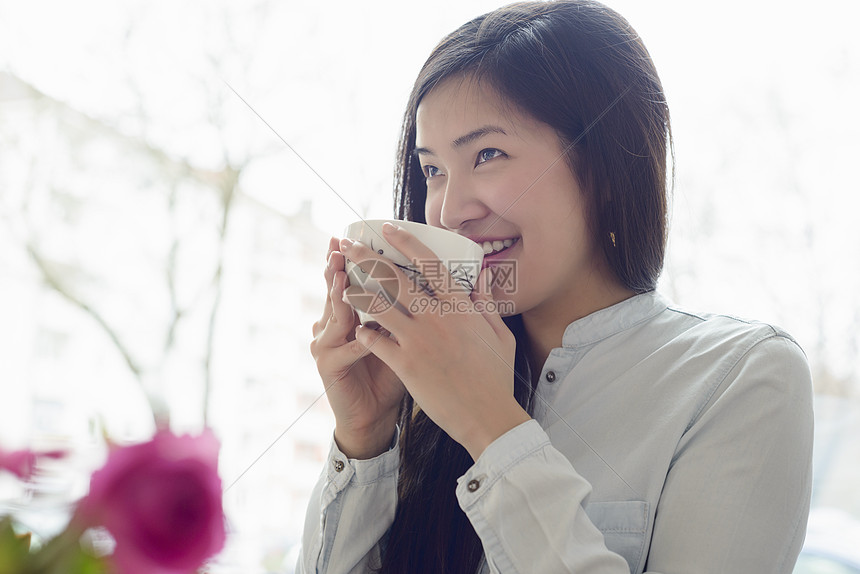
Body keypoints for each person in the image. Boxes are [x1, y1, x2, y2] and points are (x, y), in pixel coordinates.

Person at [300, 1, 814, 572]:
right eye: (432, 170)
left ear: (602, 165)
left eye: (487, 154)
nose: (448, 212)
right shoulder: (425, 401)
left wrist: (490, 427)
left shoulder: (743, 379)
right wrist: (365, 434)